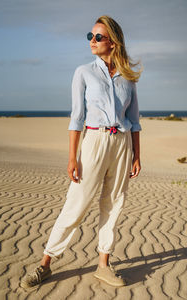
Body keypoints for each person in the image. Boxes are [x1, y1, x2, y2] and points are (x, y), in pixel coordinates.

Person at [21, 15, 142, 289]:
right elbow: (76, 118)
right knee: (76, 204)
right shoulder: (83, 72)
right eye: (90, 36)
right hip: (94, 142)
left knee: (114, 204)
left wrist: (137, 155)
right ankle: (45, 264)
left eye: (98, 37)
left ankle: (103, 265)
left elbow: (134, 121)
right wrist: (72, 157)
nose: (92, 41)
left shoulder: (128, 78)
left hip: (122, 143)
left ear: (113, 42)